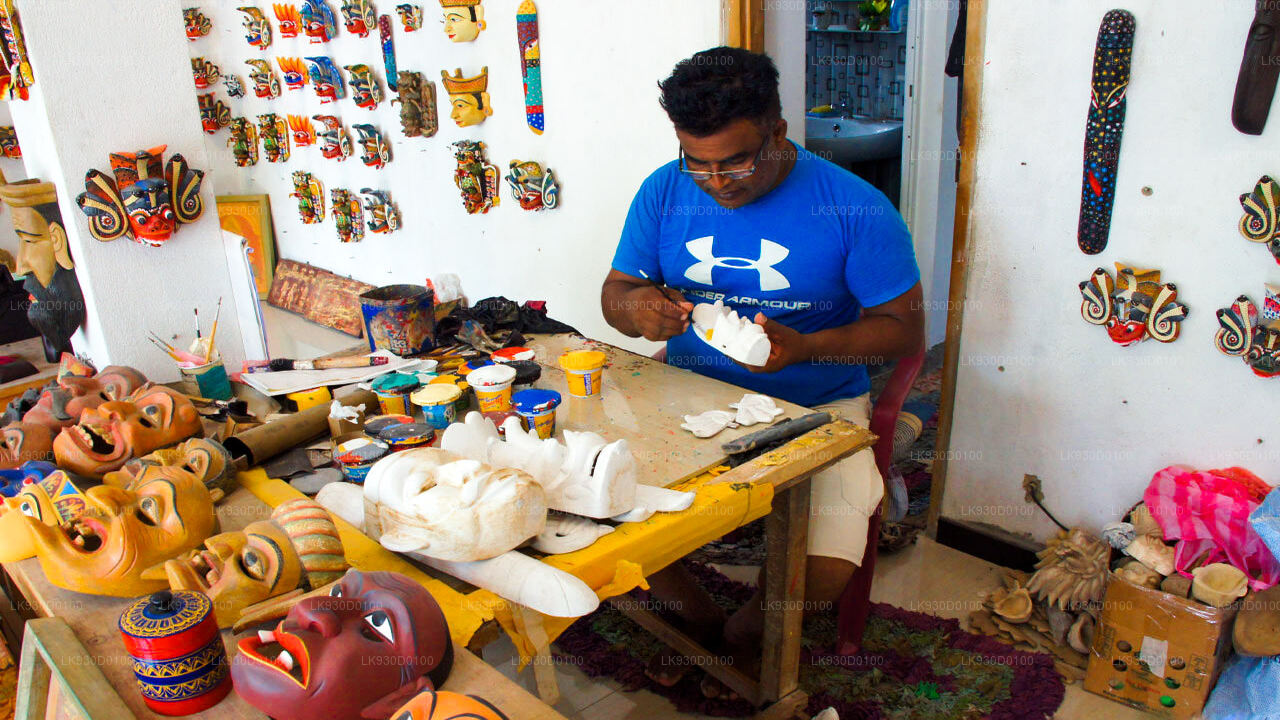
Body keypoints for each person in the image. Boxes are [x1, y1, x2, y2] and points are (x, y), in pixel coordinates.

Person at [600, 46, 924, 697]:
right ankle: (699, 620)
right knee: (594, 502)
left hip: (818, 404)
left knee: (825, 565)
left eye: (736, 162)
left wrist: (805, 349)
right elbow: (616, 293)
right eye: (699, 163)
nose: (717, 182)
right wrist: (638, 309)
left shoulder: (855, 208)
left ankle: (749, 633)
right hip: (688, 394)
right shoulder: (663, 190)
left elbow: (904, 330)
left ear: (779, 131)